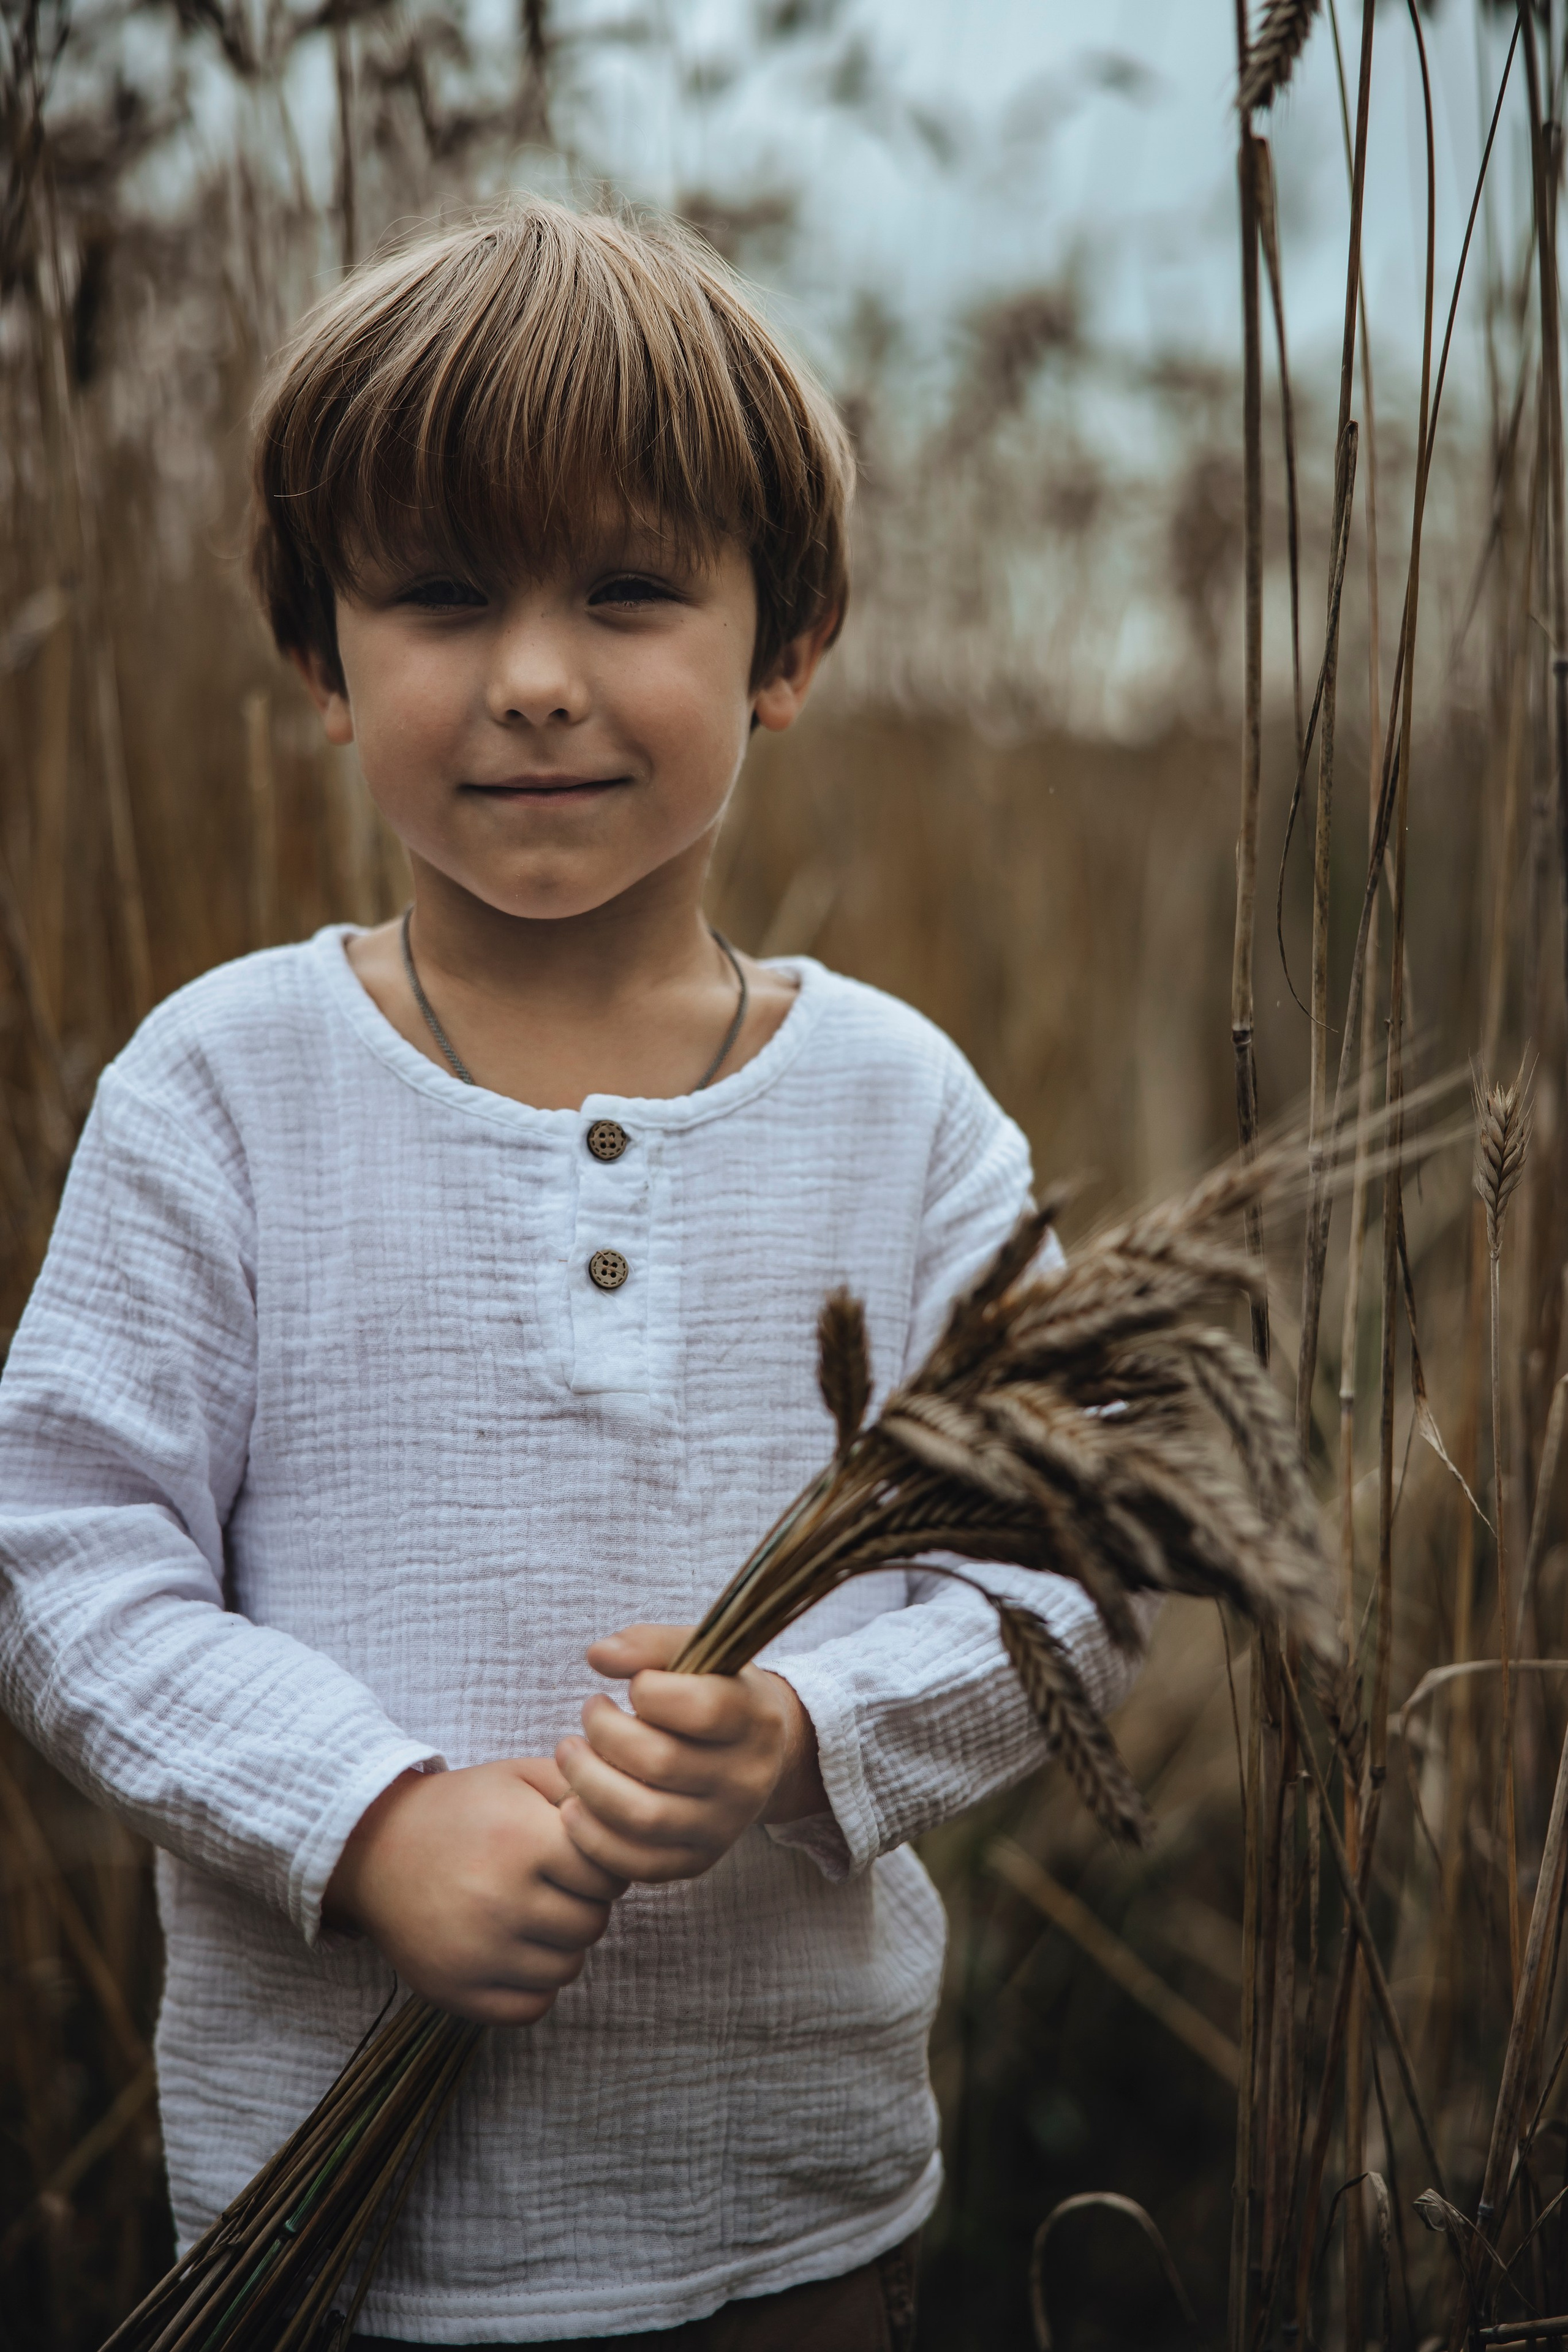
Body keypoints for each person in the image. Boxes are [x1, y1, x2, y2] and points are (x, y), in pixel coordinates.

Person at [0, 201, 1144, 2350]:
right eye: (439, 598)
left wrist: (815, 1732)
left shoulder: (898, 1113)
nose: (533, 676)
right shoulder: (223, 1092)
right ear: (328, 666)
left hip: (790, 2227)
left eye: (629, 592)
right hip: (324, 2242)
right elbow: (64, 1553)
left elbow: (1078, 1552)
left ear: (781, 647)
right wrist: (371, 1820)